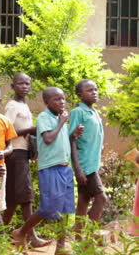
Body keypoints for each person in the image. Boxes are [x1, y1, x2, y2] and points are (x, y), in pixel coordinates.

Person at [13, 87, 84, 254]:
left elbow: (61, 139)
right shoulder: (45, 117)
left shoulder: (60, 119)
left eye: (63, 99)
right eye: (57, 99)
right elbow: (48, 138)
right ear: (46, 102)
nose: (62, 102)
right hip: (50, 168)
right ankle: (21, 232)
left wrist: (73, 134)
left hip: (64, 168)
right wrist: (61, 122)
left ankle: (60, 247)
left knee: (66, 209)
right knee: (48, 207)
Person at [3, 73, 49, 247]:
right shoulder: (12, 106)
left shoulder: (23, 105)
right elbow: (7, 131)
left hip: (23, 153)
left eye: (27, 84)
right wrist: (30, 130)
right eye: (20, 83)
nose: (24, 86)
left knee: (16, 198)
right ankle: (31, 237)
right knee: (25, 196)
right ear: (12, 86)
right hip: (15, 153)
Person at [70, 80, 107, 229]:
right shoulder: (77, 112)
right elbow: (71, 139)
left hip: (93, 163)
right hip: (85, 165)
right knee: (101, 198)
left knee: (84, 200)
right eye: (89, 90)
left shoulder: (94, 112)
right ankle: (90, 236)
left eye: (96, 89)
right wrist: (78, 169)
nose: (94, 92)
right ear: (80, 95)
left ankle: (79, 240)